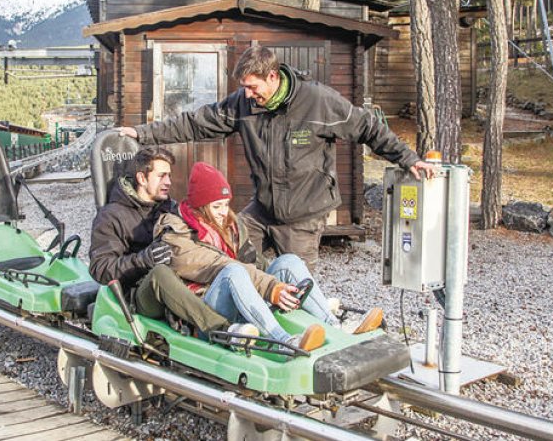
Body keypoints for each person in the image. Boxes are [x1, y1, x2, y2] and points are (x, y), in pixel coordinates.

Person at [120, 45, 438, 268]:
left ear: (273, 76)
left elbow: (368, 127)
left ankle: (306, 336)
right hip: (263, 209)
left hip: (303, 214)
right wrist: (141, 133)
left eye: (252, 87)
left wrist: (409, 159)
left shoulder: (317, 101)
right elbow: (194, 123)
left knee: (295, 285)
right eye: (244, 87)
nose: (247, 94)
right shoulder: (243, 105)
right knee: (230, 257)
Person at [157, 162, 385, 353]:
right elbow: (219, 265)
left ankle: (334, 324)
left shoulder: (230, 225)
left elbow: (253, 261)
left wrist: (280, 280)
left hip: (242, 295)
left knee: (288, 261)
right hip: (208, 309)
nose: (224, 212)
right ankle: (284, 341)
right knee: (232, 272)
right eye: (217, 206)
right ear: (200, 206)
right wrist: (270, 287)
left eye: (226, 205)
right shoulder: (176, 231)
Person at [88, 146, 230, 336]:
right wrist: (142, 260)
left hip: (182, 285)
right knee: (160, 273)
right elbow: (100, 268)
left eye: (169, 176)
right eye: (161, 176)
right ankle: (223, 330)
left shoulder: (170, 208)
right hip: (140, 294)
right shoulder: (111, 216)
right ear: (142, 178)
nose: (168, 182)